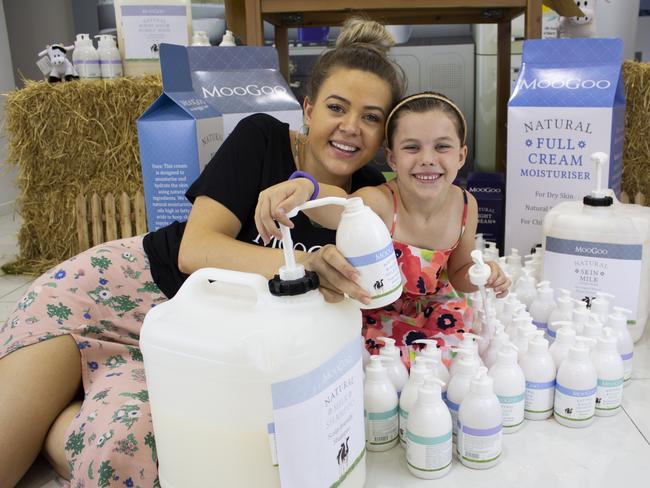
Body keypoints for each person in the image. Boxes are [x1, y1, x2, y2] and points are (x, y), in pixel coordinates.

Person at [0, 18, 405, 487]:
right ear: (309, 110)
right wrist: (304, 263)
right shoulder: (262, 137)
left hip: (186, 344)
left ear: (384, 136)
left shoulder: (367, 203)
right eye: (337, 107)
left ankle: (64, 421)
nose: (350, 127)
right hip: (113, 295)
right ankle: (59, 404)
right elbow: (195, 251)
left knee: (133, 465)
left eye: (372, 117)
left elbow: (362, 219)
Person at [255, 92, 511, 364]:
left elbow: (460, 273)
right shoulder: (381, 202)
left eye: (442, 147)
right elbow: (339, 207)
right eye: (412, 147)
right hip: (379, 312)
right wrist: (307, 187)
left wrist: (482, 274)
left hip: (439, 308)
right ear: (392, 158)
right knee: (380, 368)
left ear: (461, 156)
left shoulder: (465, 204)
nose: (427, 158)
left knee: (456, 362)